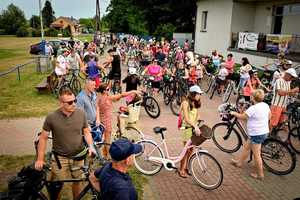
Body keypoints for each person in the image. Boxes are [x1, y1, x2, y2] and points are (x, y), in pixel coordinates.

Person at [35, 88, 96, 199]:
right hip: (60, 158)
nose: (74, 104)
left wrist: (91, 146)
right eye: (70, 102)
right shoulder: (51, 117)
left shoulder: (81, 113)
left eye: (75, 100)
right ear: (61, 103)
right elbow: (43, 138)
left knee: (78, 181)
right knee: (56, 185)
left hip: (78, 156)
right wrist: (40, 159)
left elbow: (86, 132)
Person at [230, 89, 270, 180]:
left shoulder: (253, 108)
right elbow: (269, 116)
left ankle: (260, 175)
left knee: (257, 155)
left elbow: (243, 117)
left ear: (253, 97)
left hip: (257, 134)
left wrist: (234, 113)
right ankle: (239, 162)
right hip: (262, 131)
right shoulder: (265, 105)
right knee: (247, 147)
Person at [96, 83, 139, 158]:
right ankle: (107, 156)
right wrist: (133, 91)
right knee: (107, 139)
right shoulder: (108, 98)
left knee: (105, 138)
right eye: (107, 89)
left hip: (103, 120)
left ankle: (104, 153)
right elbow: (122, 95)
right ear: (103, 91)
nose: (109, 90)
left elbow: (97, 108)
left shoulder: (99, 97)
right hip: (106, 121)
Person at [178, 85, 203, 178]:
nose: (200, 95)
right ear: (193, 94)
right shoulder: (185, 103)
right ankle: (181, 169)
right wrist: (195, 126)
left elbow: (197, 115)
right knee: (186, 150)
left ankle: (187, 167)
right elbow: (187, 119)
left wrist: (199, 123)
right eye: (198, 94)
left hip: (193, 128)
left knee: (191, 149)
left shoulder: (195, 102)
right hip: (187, 128)